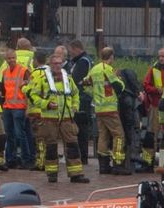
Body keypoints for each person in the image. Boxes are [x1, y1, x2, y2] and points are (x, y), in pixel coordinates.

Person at [28, 54, 90, 183]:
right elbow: (33, 96)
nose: (57, 65)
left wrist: (75, 106)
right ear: (50, 65)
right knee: (51, 146)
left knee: (72, 144)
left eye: (59, 63)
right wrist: (46, 104)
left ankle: (76, 173)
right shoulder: (42, 79)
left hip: (67, 118)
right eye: (54, 63)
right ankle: (52, 174)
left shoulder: (67, 78)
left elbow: (75, 93)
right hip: (49, 119)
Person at [85, 47, 128, 175]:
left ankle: (103, 165)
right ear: (111, 57)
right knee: (119, 135)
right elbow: (119, 87)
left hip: (98, 108)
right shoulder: (108, 70)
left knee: (103, 136)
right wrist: (118, 77)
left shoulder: (94, 69)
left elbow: (86, 81)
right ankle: (118, 164)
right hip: (110, 108)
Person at [0, 49, 32, 169]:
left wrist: (28, 107)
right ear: (6, 60)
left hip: (19, 107)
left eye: (13, 58)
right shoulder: (5, 72)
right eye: (9, 58)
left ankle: (26, 159)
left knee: (20, 134)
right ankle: (10, 159)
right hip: (8, 106)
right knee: (9, 135)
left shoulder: (23, 71)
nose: (11, 60)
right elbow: (5, 89)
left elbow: (29, 89)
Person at [142, 47, 164, 167]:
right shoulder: (153, 69)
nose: (160, 58)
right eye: (159, 56)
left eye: (163, 56)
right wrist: (157, 90)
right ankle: (147, 161)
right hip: (156, 105)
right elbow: (145, 85)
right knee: (151, 134)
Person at [66, 40, 94, 165]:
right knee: (80, 129)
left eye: (71, 50)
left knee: (81, 129)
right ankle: (81, 155)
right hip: (82, 98)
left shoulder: (83, 62)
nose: (70, 53)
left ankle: (83, 156)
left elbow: (75, 80)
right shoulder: (80, 61)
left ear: (76, 48)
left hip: (83, 99)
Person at [27, 50, 49, 170]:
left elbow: (31, 91)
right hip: (48, 110)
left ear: (36, 60)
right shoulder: (50, 73)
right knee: (47, 137)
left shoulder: (35, 74)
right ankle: (47, 160)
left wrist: (24, 87)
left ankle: (41, 162)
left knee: (39, 137)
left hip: (36, 110)